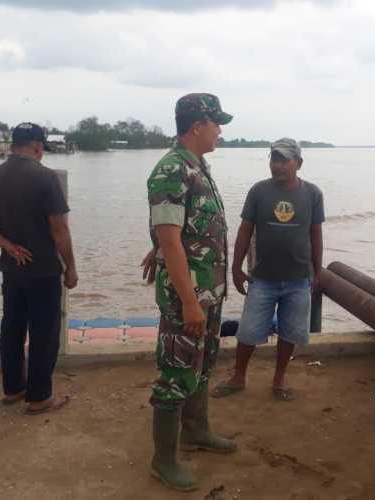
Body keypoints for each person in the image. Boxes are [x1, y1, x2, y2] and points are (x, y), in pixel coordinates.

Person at [146, 93, 236, 491]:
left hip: (209, 291)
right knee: (176, 372)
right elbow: (170, 239)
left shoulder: (196, 166)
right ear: (197, 125)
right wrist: (187, 301)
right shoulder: (171, 170)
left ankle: (197, 431)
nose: (220, 130)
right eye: (216, 123)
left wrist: (158, 248)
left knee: (203, 363)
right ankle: (162, 460)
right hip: (190, 296)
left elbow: (182, 228)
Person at [0, 122, 77, 415]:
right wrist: (70, 267)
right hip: (43, 269)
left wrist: (8, 246)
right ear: (37, 146)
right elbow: (60, 229)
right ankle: (40, 397)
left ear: (12, 145)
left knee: (12, 328)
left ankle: (13, 389)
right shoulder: (45, 178)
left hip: (12, 269)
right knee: (44, 332)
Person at [211, 138, 324, 402]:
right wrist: (236, 268)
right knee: (248, 331)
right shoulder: (259, 192)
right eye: (274, 159)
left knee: (289, 332)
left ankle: (279, 380)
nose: (278, 165)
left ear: (299, 163)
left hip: (299, 279)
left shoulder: (313, 194)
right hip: (262, 278)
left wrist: (318, 272)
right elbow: (245, 230)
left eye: (284, 159)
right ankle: (238, 377)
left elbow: (316, 233)